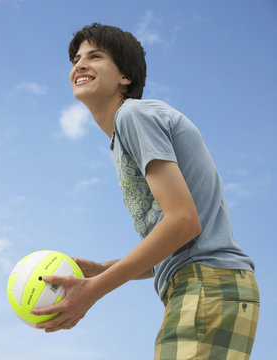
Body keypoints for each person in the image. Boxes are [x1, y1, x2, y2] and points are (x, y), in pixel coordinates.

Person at [31, 23, 259, 359]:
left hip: (206, 285)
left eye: (95, 56)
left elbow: (183, 222)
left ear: (125, 76)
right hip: (207, 286)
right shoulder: (125, 134)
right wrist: (102, 269)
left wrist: (94, 290)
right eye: (76, 59)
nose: (79, 64)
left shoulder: (133, 116)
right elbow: (176, 241)